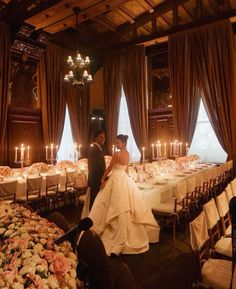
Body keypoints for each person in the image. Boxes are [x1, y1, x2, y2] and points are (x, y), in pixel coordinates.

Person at [89, 134, 160, 256]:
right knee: (125, 206)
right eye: (116, 143)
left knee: (112, 205)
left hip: (116, 179)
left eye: (118, 143)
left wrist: (102, 178)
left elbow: (110, 168)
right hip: (124, 179)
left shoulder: (117, 154)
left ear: (123, 143)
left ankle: (112, 237)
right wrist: (128, 181)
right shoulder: (127, 154)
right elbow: (126, 170)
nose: (116, 145)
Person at [87, 130, 106, 210]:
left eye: (104, 137)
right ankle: (92, 220)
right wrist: (104, 178)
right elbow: (98, 167)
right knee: (95, 201)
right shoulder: (94, 149)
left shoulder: (96, 148)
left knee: (96, 201)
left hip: (95, 179)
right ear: (95, 138)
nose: (103, 139)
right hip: (96, 180)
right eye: (101, 137)